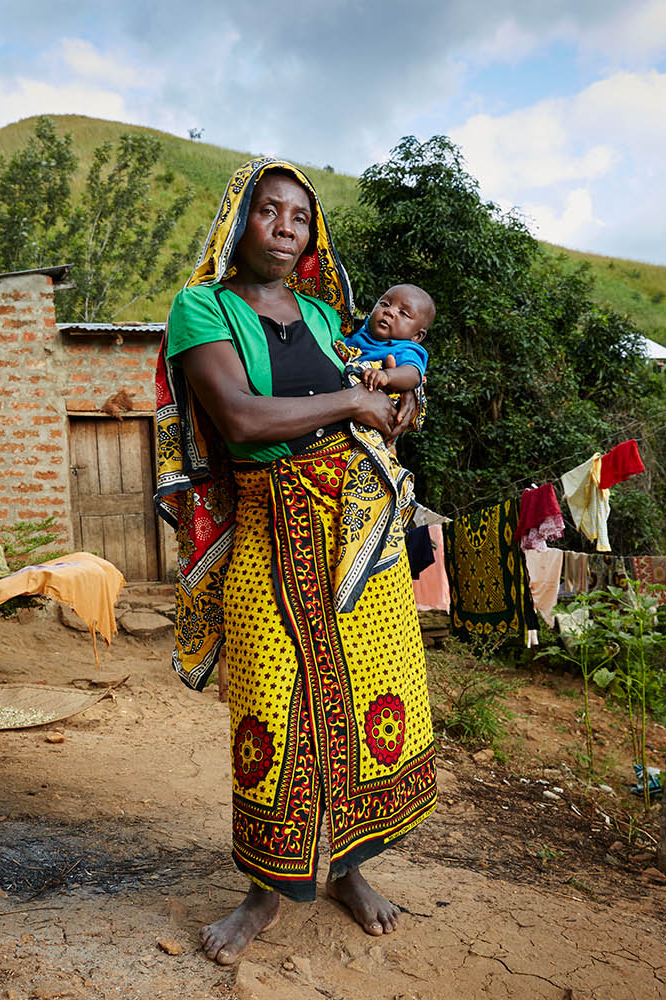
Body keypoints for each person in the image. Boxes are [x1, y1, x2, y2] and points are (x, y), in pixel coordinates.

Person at [155, 159, 435, 966]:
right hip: (270, 533)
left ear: (313, 236)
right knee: (275, 713)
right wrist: (354, 401)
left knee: (363, 700)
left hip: (356, 542)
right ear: (237, 220)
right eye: (268, 210)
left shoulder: (323, 314)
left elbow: (383, 386)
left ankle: (348, 868)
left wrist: (398, 402)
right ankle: (265, 891)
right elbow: (242, 418)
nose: (285, 225)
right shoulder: (201, 307)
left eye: (300, 217)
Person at [344, 284, 435, 395]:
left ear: (417, 336)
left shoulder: (405, 350)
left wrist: (387, 376)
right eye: (384, 304)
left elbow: (413, 374)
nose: (389, 311)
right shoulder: (356, 327)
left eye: (403, 313)